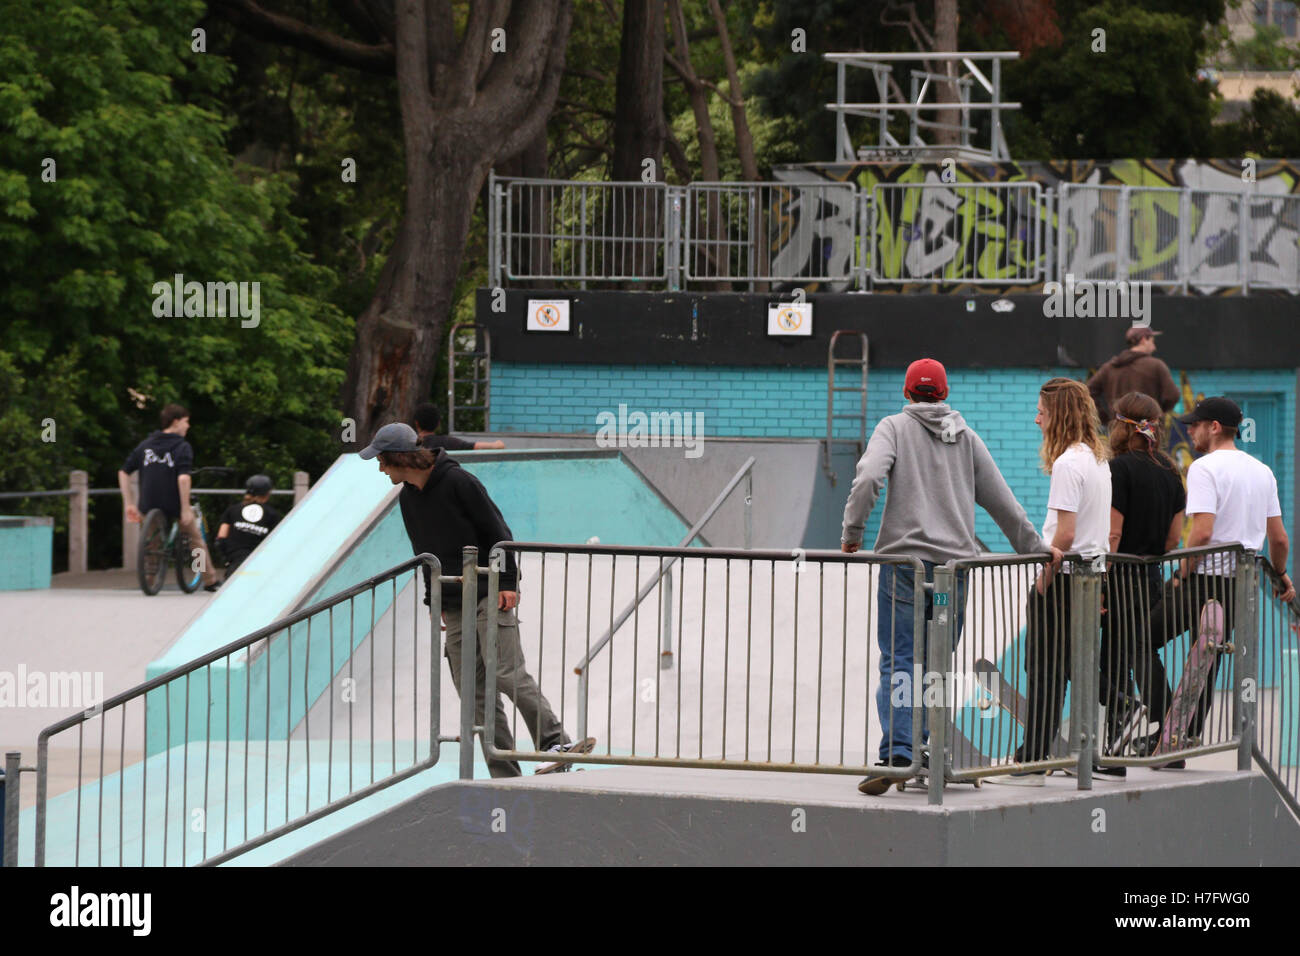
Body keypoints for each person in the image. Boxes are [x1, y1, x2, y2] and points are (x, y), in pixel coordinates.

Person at [841, 358, 1056, 796]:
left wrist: (853, 533)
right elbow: (1002, 501)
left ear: (907, 393)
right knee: (938, 664)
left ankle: (899, 753)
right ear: (944, 393)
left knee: (901, 661)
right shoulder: (966, 437)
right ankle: (933, 750)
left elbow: (867, 479)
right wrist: (1035, 550)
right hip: (953, 574)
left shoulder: (893, 428)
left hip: (904, 567)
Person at [359, 422, 590, 776]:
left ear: (398, 457)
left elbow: (497, 532)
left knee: (505, 672)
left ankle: (554, 742)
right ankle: (505, 774)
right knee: (473, 691)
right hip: (452, 604)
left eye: (382, 461)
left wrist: (508, 580)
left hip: (489, 592)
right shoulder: (407, 498)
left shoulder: (459, 483)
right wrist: (433, 600)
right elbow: (424, 553)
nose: (379, 468)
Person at [1134, 396, 1295, 762]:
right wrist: (1281, 574)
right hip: (1239, 585)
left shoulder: (1204, 468)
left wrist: (1182, 573)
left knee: (1139, 641)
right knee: (1208, 656)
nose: (1189, 430)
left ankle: (1166, 724)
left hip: (1204, 578)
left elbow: (1202, 533)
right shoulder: (1263, 471)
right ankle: (1184, 736)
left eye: (1195, 424)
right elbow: (1280, 539)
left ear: (1215, 427)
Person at [993, 378, 1112, 785]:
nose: (1036, 418)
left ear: (1057, 414)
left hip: (1062, 578)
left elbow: (1064, 534)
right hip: (1089, 576)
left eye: (1041, 411)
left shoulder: (1066, 465)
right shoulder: (1098, 459)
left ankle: (1033, 756)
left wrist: (1043, 580)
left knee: (1043, 666)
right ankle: (1072, 746)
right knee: (1072, 664)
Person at [1094, 392, 1186, 777]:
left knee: (1115, 660)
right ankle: (1171, 738)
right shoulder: (1170, 471)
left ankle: (1114, 755)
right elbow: (1173, 539)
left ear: (1121, 425)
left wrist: (1101, 581)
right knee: (1142, 653)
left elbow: (1112, 534)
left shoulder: (1118, 469)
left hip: (1120, 576)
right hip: (1151, 576)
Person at [118, 403, 220, 592]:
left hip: (148, 504)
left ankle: (149, 580)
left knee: (152, 542)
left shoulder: (146, 444)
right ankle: (210, 580)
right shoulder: (182, 447)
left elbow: (124, 472)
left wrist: (129, 503)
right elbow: (183, 478)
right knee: (195, 540)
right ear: (176, 422)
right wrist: (185, 508)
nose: (188, 426)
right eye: (186, 422)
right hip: (173, 502)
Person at [1086, 327, 1180, 426]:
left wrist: (1104, 417)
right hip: (1148, 429)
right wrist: (1157, 412)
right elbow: (1173, 395)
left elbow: (1087, 392)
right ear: (1143, 340)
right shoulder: (1156, 366)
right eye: (1152, 341)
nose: (1154, 347)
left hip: (1118, 428)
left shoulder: (1110, 367)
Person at [215, 474, 283, 579]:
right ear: (267, 494)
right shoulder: (272, 515)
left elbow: (221, 538)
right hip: (259, 566)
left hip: (235, 566)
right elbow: (277, 543)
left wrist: (227, 559)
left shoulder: (232, 510)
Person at [413, 403, 505, 451]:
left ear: (416, 423)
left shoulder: (409, 444)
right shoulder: (447, 442)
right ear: (438, 424)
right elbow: (473, 446)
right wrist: (495, 445)